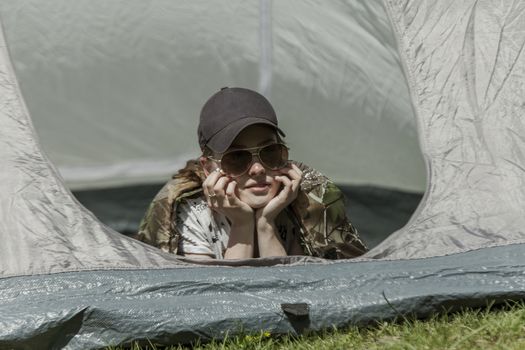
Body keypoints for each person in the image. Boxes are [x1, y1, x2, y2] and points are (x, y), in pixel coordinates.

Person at [135, 87, 367, 259]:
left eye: (269, 152)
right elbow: (219, 303)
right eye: (236, 157)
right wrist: (242, 224)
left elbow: (290, 292)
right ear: (208, 167)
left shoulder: (302, 200)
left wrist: (266, 223)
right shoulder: (188, 213)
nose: (257, 169)